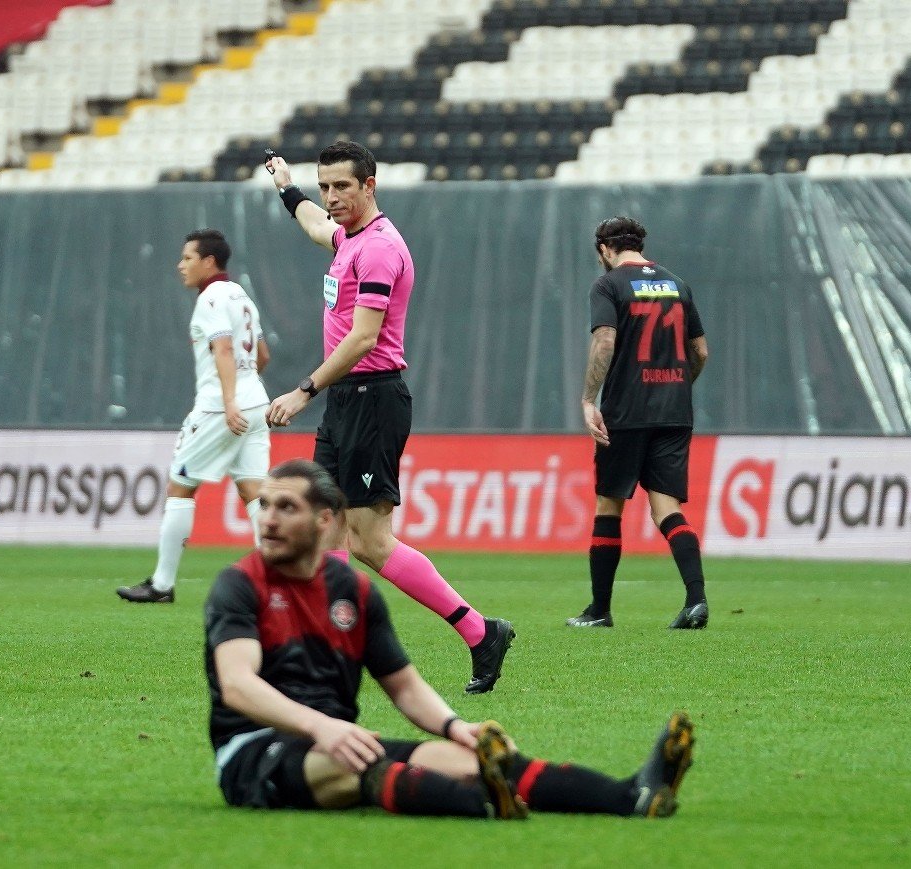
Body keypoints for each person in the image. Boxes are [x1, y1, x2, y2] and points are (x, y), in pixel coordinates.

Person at [206, 458, 697, 819]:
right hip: (254, 752)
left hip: (344, 742)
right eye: (264, 505)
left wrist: (454, 726)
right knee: (357, 768)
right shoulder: (240, 585)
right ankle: (484, 807)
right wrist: (322, 728)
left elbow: (402, 686)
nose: (267, 519)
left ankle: (633, 794)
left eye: (285, 507)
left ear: (324, 521)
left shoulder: (353, 593)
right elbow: (237, 685)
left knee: (475, 761)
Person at [262, 141, 513, 693]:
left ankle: (480, 631)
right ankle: (315, 656)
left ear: (370, 185)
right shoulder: (347, 235)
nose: (331, 199)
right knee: (326, 533)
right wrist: (286, 186)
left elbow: (364, 337)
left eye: (342, 187)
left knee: (371, 543)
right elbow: (312, 224)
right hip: (348, 400)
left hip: (372, 399)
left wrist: (304, 391)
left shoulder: (379, 249)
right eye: (325, 187)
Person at [568, 217, 710, 630]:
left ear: (603, 249)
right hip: (674, 411)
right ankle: (696, 600)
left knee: (609, 504)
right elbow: (699, 351)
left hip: (627, 412)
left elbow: (605, 340)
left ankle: (599, 609)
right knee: (667, 507)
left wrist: (588, 398)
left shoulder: (608, 285)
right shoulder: (677, 284)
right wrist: (679, 385)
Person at [118, 229, 271, 603]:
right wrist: (245, 396)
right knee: (255, 493)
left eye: (187, 258)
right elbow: (262, 356)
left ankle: (162, 585)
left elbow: (221, 349)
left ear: (209, 262)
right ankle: (279, 579)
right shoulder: (242, 297)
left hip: (222, 407)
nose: (180, 265)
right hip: (257, 403)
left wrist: (230, 401)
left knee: (180, 486)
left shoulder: (211, 299)